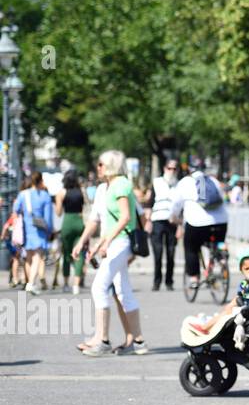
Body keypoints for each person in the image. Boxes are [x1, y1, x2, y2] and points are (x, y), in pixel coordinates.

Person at [72, 151, 149, 357]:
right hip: (112, 242)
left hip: (120, 242)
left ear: (111, 165)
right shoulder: (102, 189)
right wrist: (82, 242)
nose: (97, 167)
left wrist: (103, 242)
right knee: (123, 291)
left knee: (99, 287)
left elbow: (125, 218)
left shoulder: (122, 184)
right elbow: (94, 220)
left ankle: (102, 339)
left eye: (100, 164)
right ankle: (138, 341)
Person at [171, 161, 230, 291]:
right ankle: (222, 257)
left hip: (197, 223)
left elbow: (175, 205)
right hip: (220, 221)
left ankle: (194, 278)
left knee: (191, 247)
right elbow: (222, 199)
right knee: (218, 241)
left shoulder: (185, 182)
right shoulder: (213, 181)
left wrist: (173, 218)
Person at [187, 248, 249, 335]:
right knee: (228, 307)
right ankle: (209, 322)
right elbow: (240, 295)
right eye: (247, 269)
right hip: (244, 306)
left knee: (225, 313)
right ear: (241, 270)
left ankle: (205, 327)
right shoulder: (243, 283)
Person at [17, 172, 55, 294]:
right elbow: (48, 217)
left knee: (28, 258)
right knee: (38, 257)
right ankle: (31, 283)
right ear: (40, 181)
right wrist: (49, 230)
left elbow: (15, 209)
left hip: (26, 229)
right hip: (40, 230)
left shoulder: (23, 194)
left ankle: (29, 282)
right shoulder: (44, 196)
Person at [55, 170, 88, 295]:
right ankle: (76, 285)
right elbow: (86, 205)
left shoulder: (61, 193)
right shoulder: (81, 191)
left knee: (67, 254)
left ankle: (66, 284)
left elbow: (58, 212)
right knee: (79, 253)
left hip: (67, 222)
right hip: (79, 222)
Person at [150, 160, 180, 290]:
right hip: (157, 219)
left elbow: (181, 206)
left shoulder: (179, 185)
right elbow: (150, 202)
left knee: (171, 253)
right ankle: (157, 282)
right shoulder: (157, 182)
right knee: (158, 253)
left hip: (172, 222)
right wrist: (147, 222)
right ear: (164, 168)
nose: (172, 171)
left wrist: (181, 225)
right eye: (169, 168)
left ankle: (169, 282)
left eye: (174, 169)